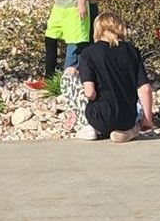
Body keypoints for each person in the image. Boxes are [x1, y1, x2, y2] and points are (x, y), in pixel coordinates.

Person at [62, 11, 154, 142]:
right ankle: (129, 130)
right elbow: (145, 89)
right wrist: (148, 119)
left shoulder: (89, 53)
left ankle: (87, 126)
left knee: (68, 76)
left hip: (101, 117)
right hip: (127, 118)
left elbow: (90, 93)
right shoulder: (132, 51)